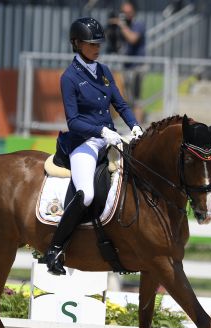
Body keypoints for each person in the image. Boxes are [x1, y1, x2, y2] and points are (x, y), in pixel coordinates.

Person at [45, 17, 143, 276]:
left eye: (98, 43)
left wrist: (134, 126)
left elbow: (120, 104)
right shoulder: (69, 78)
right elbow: (74, 121)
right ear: (77, 44)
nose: (97, 47)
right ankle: (55, 248)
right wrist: (101, 131)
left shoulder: (104, 71)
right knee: (86, 194)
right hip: (83, 142)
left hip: (109, 137)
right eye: (91, 44)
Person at [108, 1, 146, 123]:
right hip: (127, 67)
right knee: (128, 100)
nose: (125, 15)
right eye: (123, 12)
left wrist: (121, 24)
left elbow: (132, 39)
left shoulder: (137, 24)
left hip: (137, 67)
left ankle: (138, 130)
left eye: (128, 12)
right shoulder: (122, 25)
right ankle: (132, 127)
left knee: (136, 100)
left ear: (133, 11)